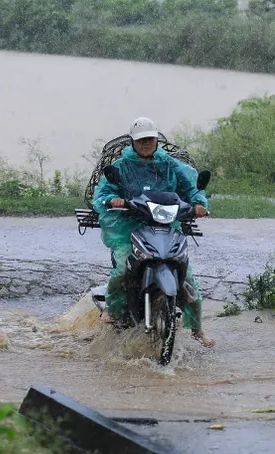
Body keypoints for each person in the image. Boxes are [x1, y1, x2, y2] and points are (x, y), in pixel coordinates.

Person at [92, 117, 215, 348]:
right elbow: (103, 193)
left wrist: (198, 203)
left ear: (156, 140)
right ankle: (112, 307)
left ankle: (197, 328)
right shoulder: (122, 166)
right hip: (131, 223)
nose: (146, 143)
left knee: (187, 276)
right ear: (132, 142)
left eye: (150, 138)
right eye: (141, 140)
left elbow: (191, 187)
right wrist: (114, 199)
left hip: (166, 224)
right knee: (122, 266)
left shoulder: (170, 164)